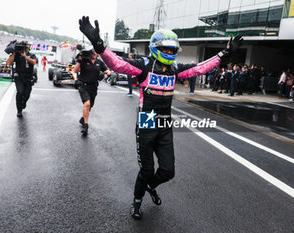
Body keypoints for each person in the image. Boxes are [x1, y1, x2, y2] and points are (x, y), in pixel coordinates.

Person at [79, 16, 243, 219]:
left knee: (168, 171)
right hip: (147, 121)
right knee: (147, 170)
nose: (170, 52)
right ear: (156, 47)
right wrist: (99, 45)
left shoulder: (175, 70)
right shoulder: (144, 65)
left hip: (165, 122)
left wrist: (224, 53)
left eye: (173, 49)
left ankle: (149, 186)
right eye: (166, 48)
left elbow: (201, 67)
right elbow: (118, 64)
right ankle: (137, 202)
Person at [73, 47, 112, 136]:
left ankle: (83, 118)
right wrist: (79, 61)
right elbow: (75, 70)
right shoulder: (84, 61)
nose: (94, 54)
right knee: (87, 104)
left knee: (90, 106)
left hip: (93, 87)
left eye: (95, 52)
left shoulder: (99, 62)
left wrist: (108, 73)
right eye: (93, 52)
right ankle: (85, 126)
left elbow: (106, 71)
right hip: (83, 85)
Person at [6, 41, 37, 117]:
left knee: (27, 94)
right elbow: (8, 63)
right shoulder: (16, 54)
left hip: (28, 77)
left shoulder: (32, 55)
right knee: (20, 92)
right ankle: (19, 110)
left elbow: (33, 62)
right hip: (19, 76)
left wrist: (25, 56)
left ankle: (23, 102)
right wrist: (14, 53)